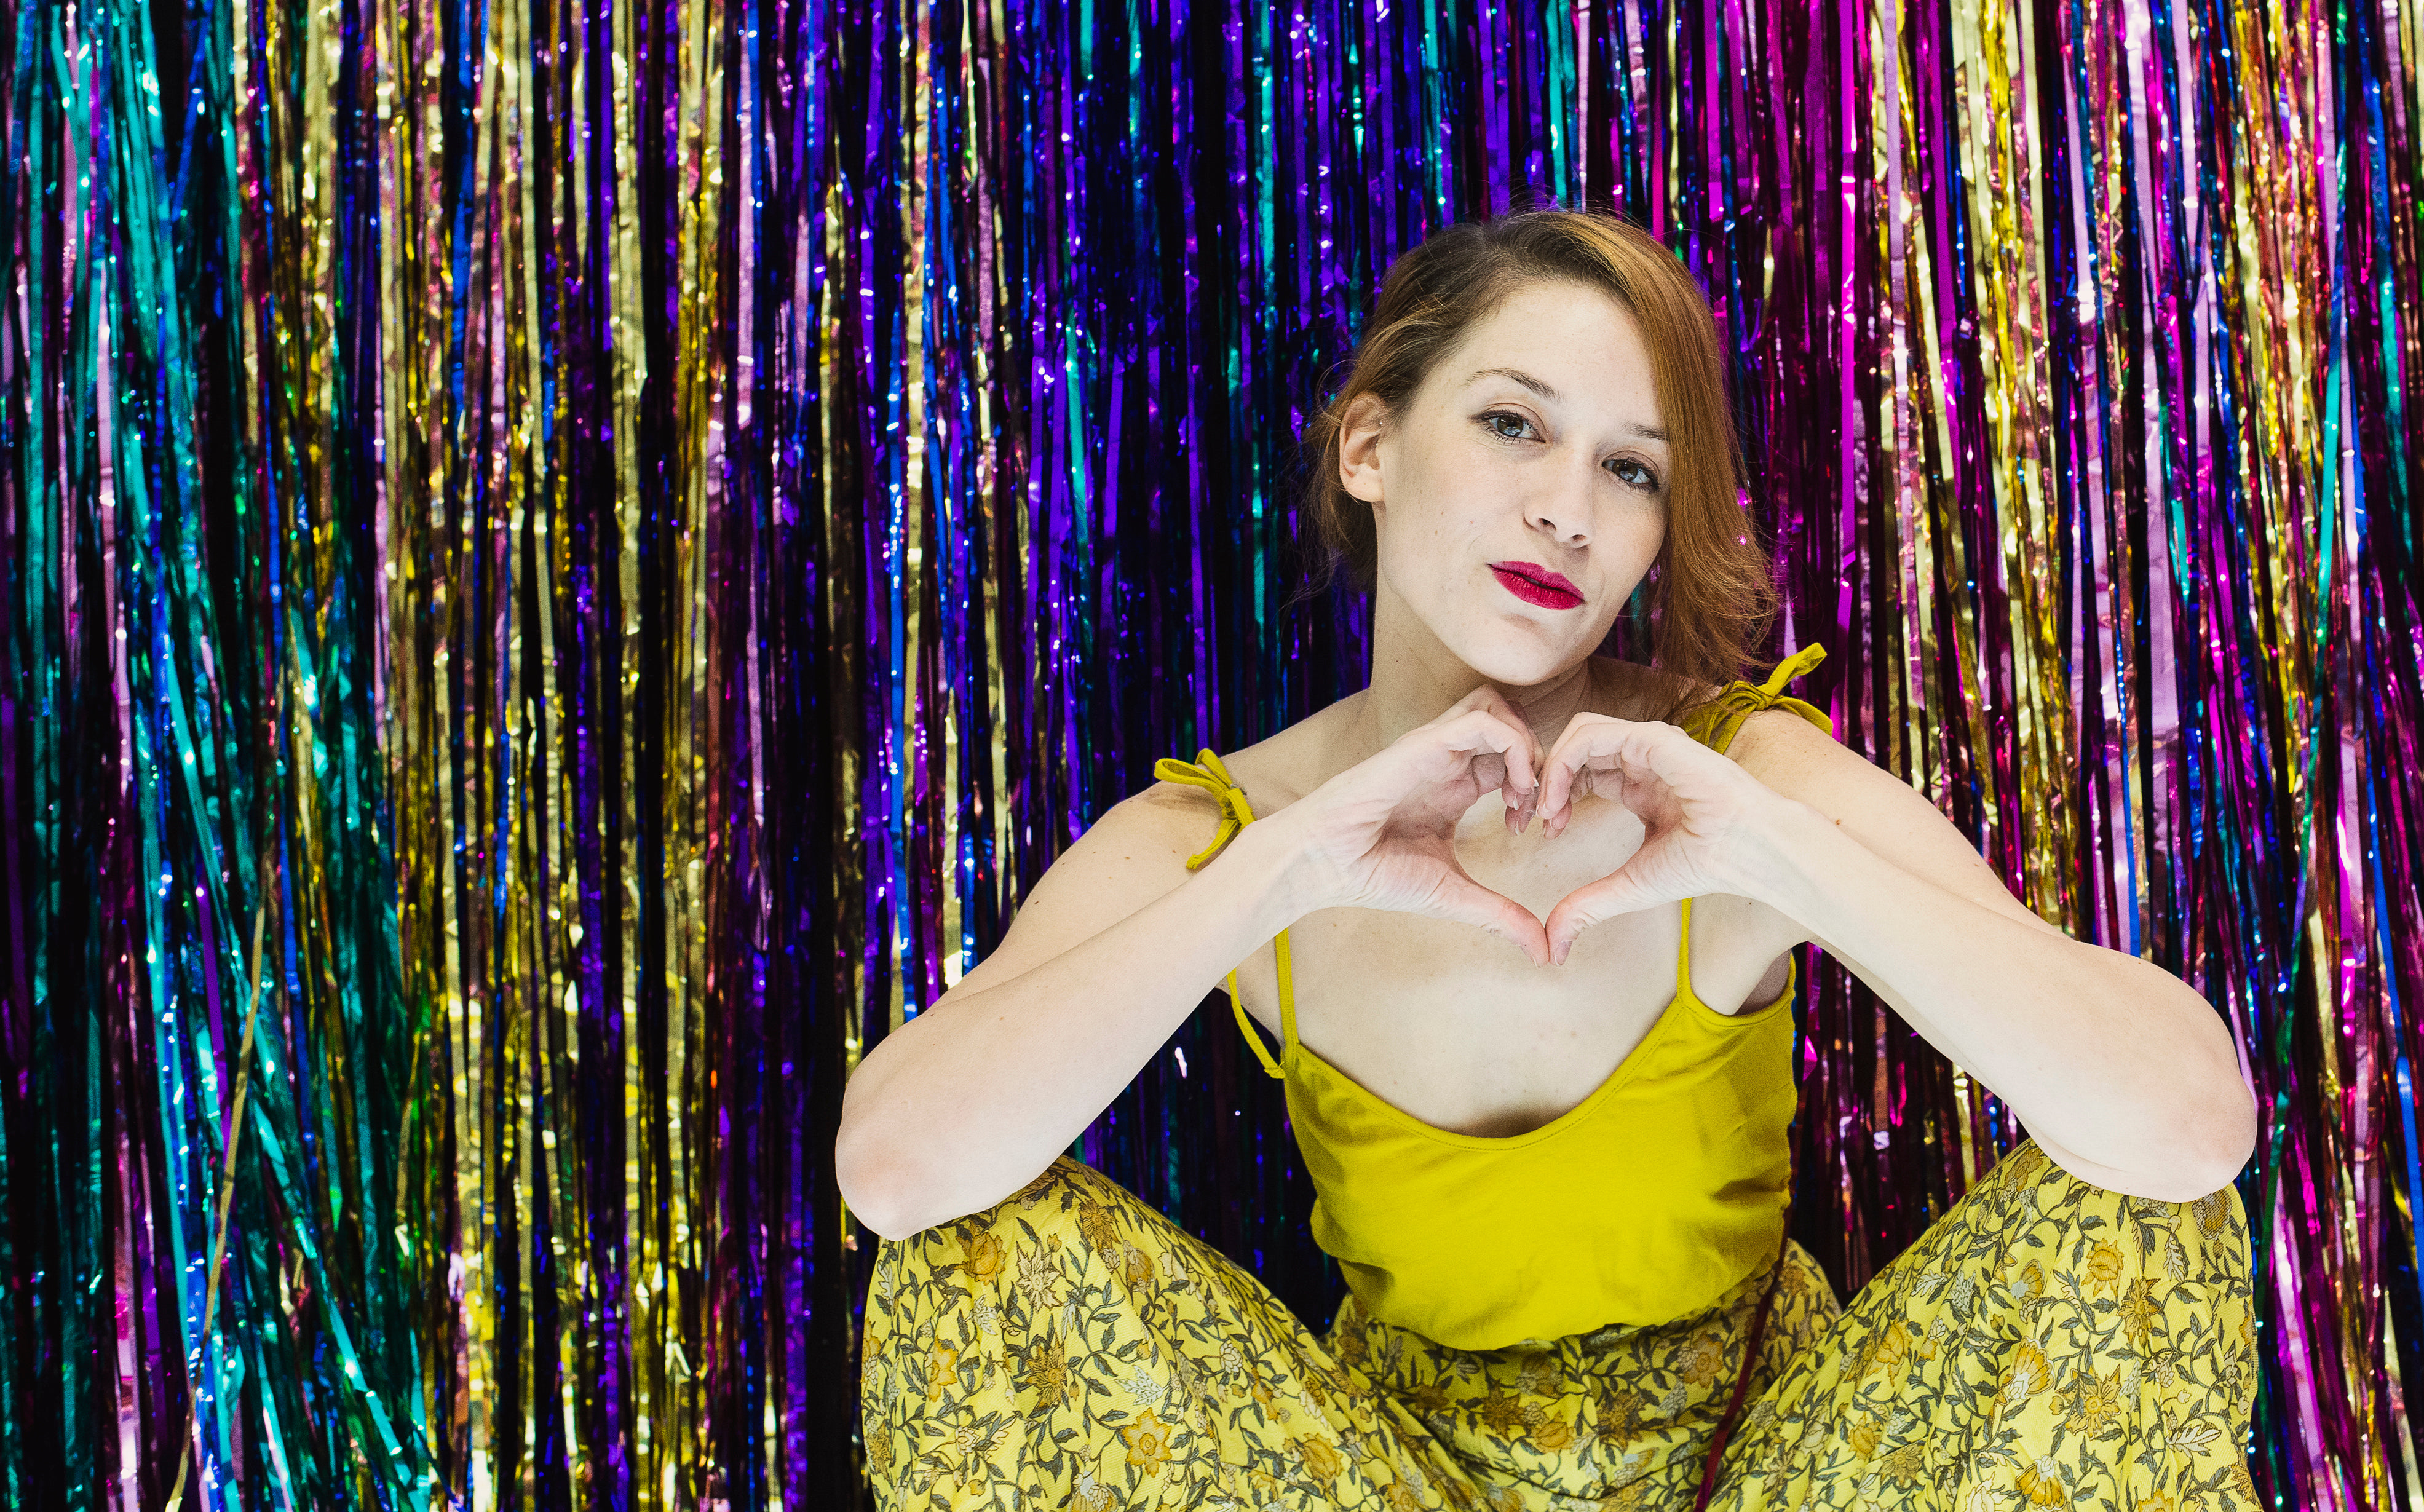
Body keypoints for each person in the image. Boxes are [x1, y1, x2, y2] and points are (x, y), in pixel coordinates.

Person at [838, 208, 2260, 1510]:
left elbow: (2186, 1123)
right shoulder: (1229, 829)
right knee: (968, 1255)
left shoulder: (1735, 770)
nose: (1568, 508)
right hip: (1383, 1480)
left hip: (1775, 1470)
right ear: (1370, 447)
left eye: (1627, 468)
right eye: (1514, 424)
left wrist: (1780, 855)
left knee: (2133, 1202)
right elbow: (899, 1173)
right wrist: (1284, 870)